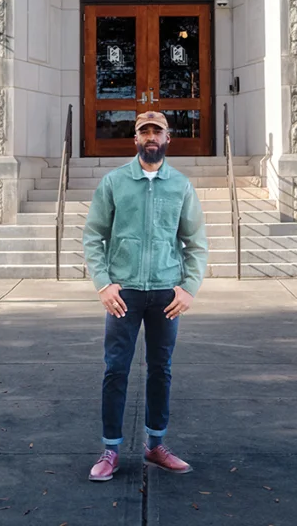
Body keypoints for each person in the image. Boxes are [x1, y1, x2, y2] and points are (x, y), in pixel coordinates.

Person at [82, 112, 208, 482]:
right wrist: (104, 284)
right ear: (135, 139)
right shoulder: (114, 182)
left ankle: (156, 445)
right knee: (115, 370)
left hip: (166, 295)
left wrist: (188, 288)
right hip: (124, 294)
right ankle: (110, 450)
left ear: (169, 138)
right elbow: (93, 236)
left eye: (157, 132)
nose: (151, 138)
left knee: (160, 370)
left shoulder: (180, 186)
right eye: (144, 132)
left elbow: (196, 243)